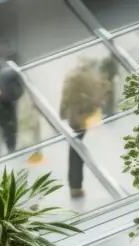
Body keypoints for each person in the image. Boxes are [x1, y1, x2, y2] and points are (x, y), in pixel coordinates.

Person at [60, 59, 110, 198]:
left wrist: (63, 112)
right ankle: (75, 186)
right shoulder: (89, 77)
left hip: (74, 116)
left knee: (76, 150)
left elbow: (66, 96)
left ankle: (75, 186)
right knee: (77, 151)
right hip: (82, 116)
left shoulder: (73, 76)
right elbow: (99, 94)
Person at [0, 62, 24, 154]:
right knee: (10, 131)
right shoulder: (3, 101)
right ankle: (11, 147)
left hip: (6, 115)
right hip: (7, 115)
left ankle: (11, 147)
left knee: (9, 131)